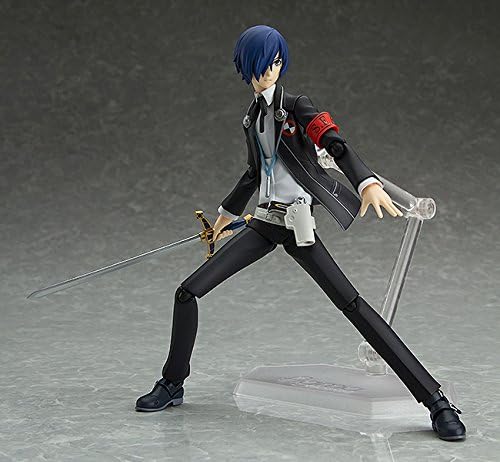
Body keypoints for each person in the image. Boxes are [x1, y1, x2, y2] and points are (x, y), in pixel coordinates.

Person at [136, 25, 466, 441]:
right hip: (263, 223)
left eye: (274, 63)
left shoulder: (297, 107)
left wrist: (366, 182)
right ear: (246, 69)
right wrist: (224, 217)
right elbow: (253, 174)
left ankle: (435, 401)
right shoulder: (251, 118)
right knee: (187, 292)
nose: (268, 72)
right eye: (260, 65)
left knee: (354, 307)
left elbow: (334, 142)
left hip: (298, 226)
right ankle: (173, 382)